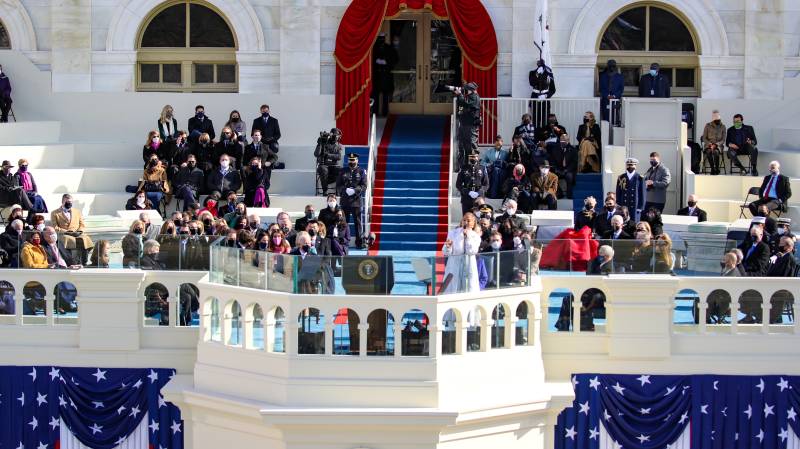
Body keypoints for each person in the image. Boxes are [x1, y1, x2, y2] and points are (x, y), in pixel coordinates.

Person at [441, 212, 482, 294]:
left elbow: (472, 251)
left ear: (473, 223)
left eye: (469, 220)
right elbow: (445, 252)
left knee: (468, 289)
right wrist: (448, 247)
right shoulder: (453, 233)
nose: (466, 222)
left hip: (468, 265)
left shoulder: (475, 236)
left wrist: (468, 237)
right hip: (454, 265)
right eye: (464, 220)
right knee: (452, 289)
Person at [51, 194, 93, 264]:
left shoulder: (77, 212)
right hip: (64, 234)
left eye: (70, 202)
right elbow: (55, 227)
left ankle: (84, 261)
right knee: (69, 240)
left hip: (77, 233)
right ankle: (71, 262)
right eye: (67, 202)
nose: (69, 203)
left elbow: (82, 224)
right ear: (62, 202)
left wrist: (80, 231)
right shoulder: (55, 213)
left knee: (86, 239)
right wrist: (67, 232)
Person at [337, 153, 367, 248]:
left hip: (356, 201)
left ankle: (359, 242)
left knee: (357, 222)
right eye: (350, 160)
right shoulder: (343, 171)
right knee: (343, 222)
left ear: (357, 160)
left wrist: (355, 190)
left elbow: (364, 186)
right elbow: (338, 185)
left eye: (353, 160)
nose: (351, 162)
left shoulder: (362, 171)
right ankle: (342, 242)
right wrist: (345, 190)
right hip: (345, 200)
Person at [371, 33, 398, 117]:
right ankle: (374, 112)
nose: (381, 40)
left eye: (382, 38)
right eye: (380, 38)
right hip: (376, 75)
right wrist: (375, 62)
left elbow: (396, 59)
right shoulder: (373, 48)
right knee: (375, 95)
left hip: (386, 75)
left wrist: (387, 62)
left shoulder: (389, 48)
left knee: (385, 96)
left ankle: (385, 113)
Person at [455, 82, 481, 168]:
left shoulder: (474, 97)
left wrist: (460, 95)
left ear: (471, 90)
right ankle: (464, 166)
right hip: (465, 125)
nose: (465, 91)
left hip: (471, 126)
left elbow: (466, 103)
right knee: (464, 146)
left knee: (472, 146)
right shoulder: (469, 97)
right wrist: (459, 96)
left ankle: (473, 167)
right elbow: (461, 105)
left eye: (466, 89)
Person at [456, 151, 489, 216]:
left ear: (477, 157)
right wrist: (468, 192)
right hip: (466, 198)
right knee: (466, 218)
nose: (473, 158)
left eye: (474, 157)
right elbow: (458, 184)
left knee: (480, 219)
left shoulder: (482, 168)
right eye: (471, 157)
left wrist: (479, 192)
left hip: (479, 198)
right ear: (468, 157)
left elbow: (486, 184)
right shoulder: (463, 168)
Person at [546, 133, 577, 199]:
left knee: (569, 176)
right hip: (558, 169)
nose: (562, 142)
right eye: (561, 140)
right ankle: (559, 193)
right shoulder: (555, 149)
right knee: (553, 176)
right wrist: (556, 169)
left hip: (568, 169)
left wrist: (567, 170)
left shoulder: (573, 150)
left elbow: (574, 163)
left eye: (564, 141)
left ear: (568, 141)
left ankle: (569, 195)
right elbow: (552, 161)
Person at [529, 59, 556, 129]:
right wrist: (537, 74)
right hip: (535, 97)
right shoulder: (532, 73)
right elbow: (532, 83)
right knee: (535, 118)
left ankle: (544, 136)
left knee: (545, 119)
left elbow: (553, 89)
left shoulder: (549, 74)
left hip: (545, 98)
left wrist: (546, 96)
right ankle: (536, 136)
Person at [315, 128, 343, 195]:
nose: (336, 137)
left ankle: (338, 191)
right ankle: (325, 190)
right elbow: (316, 154)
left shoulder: (339, 146)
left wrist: (328, 155)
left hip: (334, 166)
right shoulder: (324, 142)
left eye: (337, 136)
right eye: (334, 135)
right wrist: (320, 144)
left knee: (341, 170)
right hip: (324, 165)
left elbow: (339, 157)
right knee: (323, 169)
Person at [701, 110, 725, 175]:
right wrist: (709, 144)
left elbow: (723, 139)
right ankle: (712, 168)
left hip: (718, 146)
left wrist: (716, 145)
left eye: (719, 120)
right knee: (709, 152)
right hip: (709, 145)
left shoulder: (723, 126)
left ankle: (717, 168)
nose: (718, 121)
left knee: (716, 152)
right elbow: (704, 138)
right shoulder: (707, 125)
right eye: (716, 120)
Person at [599, 59, 623, 124]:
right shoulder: (603, 76)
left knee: (615, 118)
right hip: (605, 100)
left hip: (615, 101)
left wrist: (614, 96)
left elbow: (621, 89)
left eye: (613, 65)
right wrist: (607, 96)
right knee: (605, 118)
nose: (611, 67)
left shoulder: (620, 77)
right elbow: (601, 89)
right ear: (607, 66)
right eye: (610, 65)